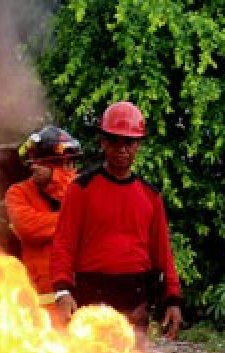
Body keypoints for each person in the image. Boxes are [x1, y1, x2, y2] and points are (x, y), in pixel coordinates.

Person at [50, 101, 183, 339]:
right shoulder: (80, 189)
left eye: (129, 142)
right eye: (114, 140)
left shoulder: (150, 195)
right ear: (103, 142)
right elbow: (63, 245)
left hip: (136, 300)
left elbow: (163, 253)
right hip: (91, 296)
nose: (122, 148)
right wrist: (62, 291)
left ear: (139, 145)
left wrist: (173, 299)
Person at [5, 126, 81, 296]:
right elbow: (28, 227)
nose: (33, 166)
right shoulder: (18, 192)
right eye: (32, 160)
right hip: (39, 298)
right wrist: (74, 220)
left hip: (78, 294)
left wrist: (56, 179)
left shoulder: (81, 190)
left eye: (40, 160)